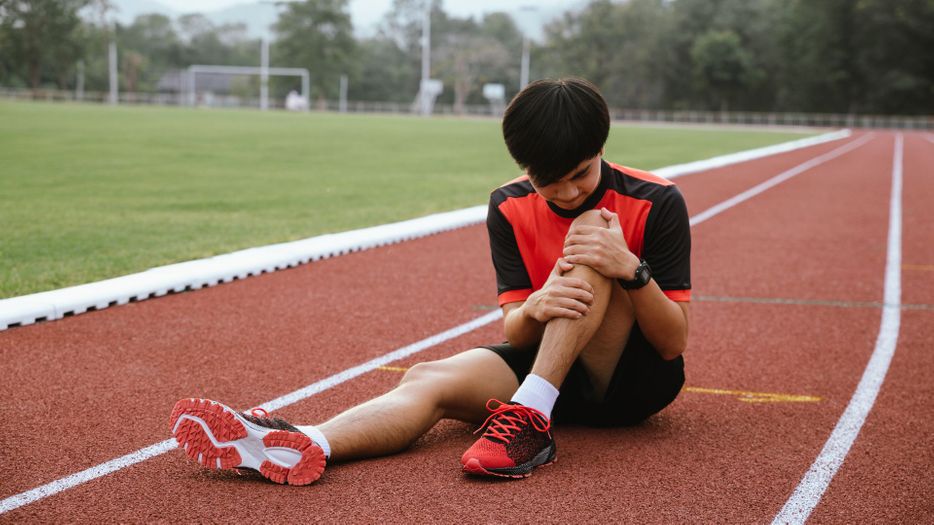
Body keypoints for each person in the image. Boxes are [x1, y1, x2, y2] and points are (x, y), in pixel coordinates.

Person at [169, 77, 691, 485]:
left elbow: (672, 344)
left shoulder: (657, 200)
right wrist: (535, 305)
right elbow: (519, 334)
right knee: (427, 377)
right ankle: (304, 442)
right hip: (549, 371)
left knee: (594, 235)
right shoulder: (508, 205)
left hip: (630, 381)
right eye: (548, 181)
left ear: (602, 148)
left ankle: (530, 418)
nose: (569, 192)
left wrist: (631, 270)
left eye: (581, 174)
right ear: (523, 167)